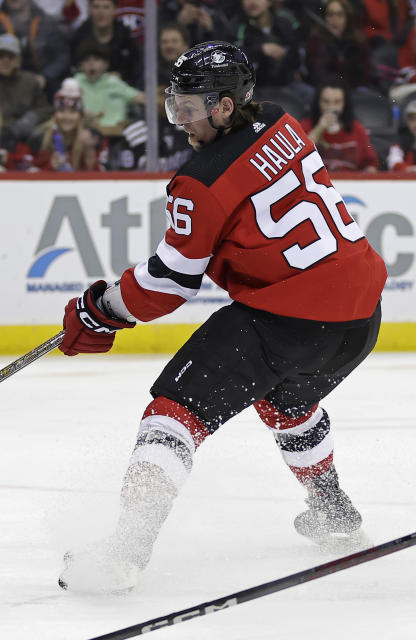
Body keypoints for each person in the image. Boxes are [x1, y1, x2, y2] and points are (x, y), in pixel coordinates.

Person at [56, 41, 387, 594]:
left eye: (190, 108)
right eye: (174, 107)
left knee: (172, 413)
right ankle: (331, 510)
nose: (180, 122)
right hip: (362, 318)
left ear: (227, 106)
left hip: (287, 319)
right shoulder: (284, 123)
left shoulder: (199, 181)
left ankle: (124, 553)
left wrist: (99, 310)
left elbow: (169, 282)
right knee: (289, 401)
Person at [0, 33, 52, 141]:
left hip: (23, 138)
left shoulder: (30, 82)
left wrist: (32, 117)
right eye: (0, 55)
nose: (6, 60)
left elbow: (46, 108)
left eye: (11, 56)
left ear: (19, 60)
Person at [0, 0, 70, 96]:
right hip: (5, 78)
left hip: (42, 79)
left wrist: (45, 76)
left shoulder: (47, 22)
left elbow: (62, 56)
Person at [299, 79, 380, 173]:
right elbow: (300, 157)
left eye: (337, 102)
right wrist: (319, 128)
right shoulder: (305, 126)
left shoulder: (357, 129)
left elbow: (371, 164)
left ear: (345, 103)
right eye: (326, 102)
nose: (331, 107)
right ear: (318, 102)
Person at [72, 42, 144, 138]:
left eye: (96, 59)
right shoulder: (74, 83)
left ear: (106, 64)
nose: (91, 63)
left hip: (118, 136)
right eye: (86, 60)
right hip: (88, 136)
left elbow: (139, 97)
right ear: (80, 65)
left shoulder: (114, 82)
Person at [30, 81, 102, 171]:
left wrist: (90, 158)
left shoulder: (91, 140)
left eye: (73, 112)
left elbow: (101, 179)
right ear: (54, 115)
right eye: (61, 111)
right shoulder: (40, 139)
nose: (67, 117)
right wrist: (51, 167)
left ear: (81, 116)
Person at [305, 0, 370, 90]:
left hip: (355, 89)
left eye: (339, 15)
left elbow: (364, 74)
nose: (334, 19)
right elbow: (317, 74)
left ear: (347, 17)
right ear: (325, 17)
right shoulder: (316, 41)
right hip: (326, 90)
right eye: (330, 14)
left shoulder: (359, 41)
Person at [387, 99, 416, 171]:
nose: (415, 124)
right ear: (406, 121)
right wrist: (409, 169)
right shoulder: (400, 141)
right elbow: (393, 162)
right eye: (412, 119)